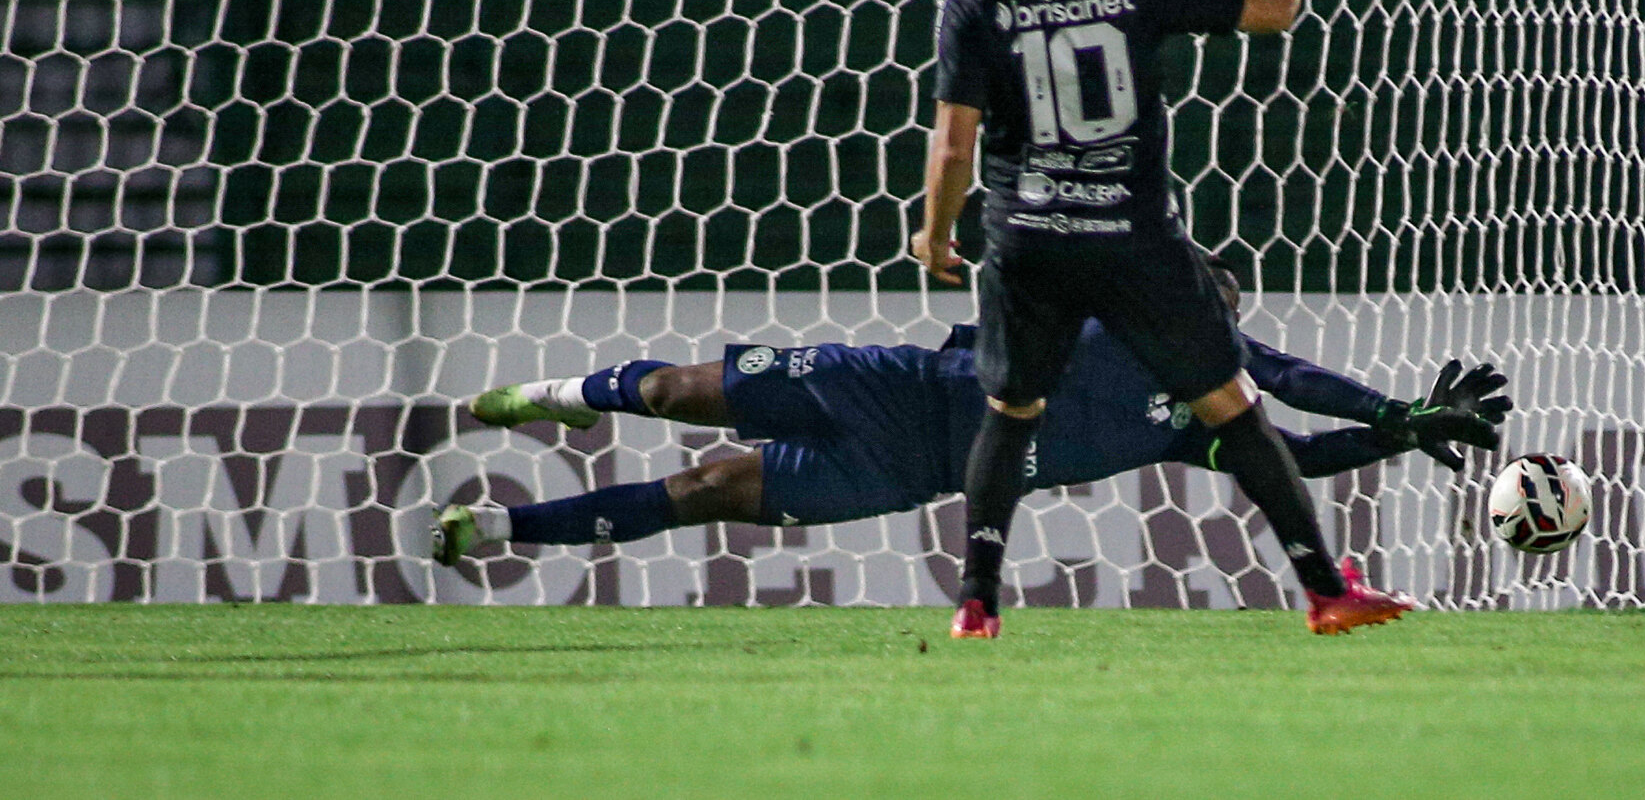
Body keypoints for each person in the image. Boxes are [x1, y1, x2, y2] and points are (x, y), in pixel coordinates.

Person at [911, 0, 1416, 637]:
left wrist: (935, 233)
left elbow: (953, 144)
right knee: (1232, 407)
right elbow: (1274, 7)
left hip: (1029, 240)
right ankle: (1326, 590)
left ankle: (977, 600)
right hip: (1133, 241)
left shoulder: (975, 8)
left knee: (1011, 411)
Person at [432, 257, 1512, 589]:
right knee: (676, 393)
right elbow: (1289, 376)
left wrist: (1400, 426)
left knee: (704, 493)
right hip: (888, 387)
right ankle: (558, 396)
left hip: (907, 472)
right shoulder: (1103, 304)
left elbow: (1300, 446)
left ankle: (497, 531)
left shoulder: (1195, 412)